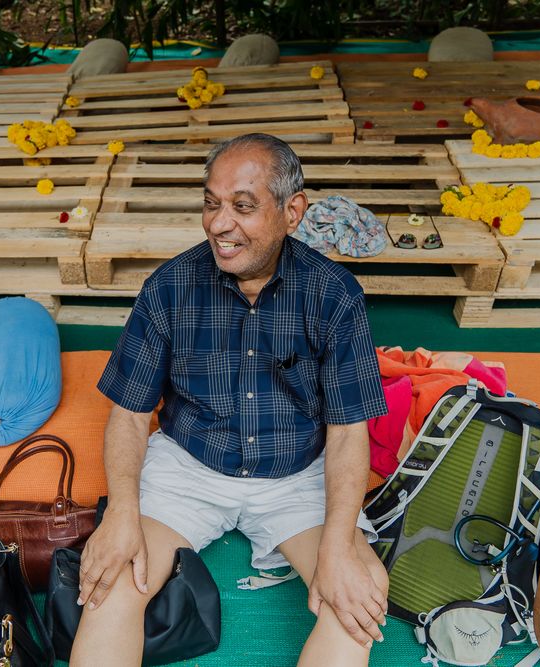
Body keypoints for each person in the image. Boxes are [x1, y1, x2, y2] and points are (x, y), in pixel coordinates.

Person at [71, 133, 389, 666]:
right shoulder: (169, 287)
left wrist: (337, 548)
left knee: (357, 596)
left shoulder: (335, 294)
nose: (220, 224)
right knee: (112, 584)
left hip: (297, 476)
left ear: (292, 212)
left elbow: (347, 430)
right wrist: (122, 514)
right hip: (189, 467)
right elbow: (128, 416)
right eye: (211, 204)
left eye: (242, 207)